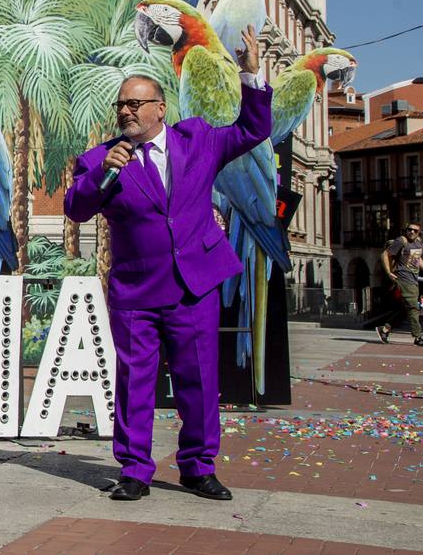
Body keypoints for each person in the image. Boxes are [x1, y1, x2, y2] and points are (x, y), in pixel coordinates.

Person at [64, 26, 271, 504]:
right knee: (135, 384)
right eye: (121, 105)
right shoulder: (100, 159)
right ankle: (134, 470)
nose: (126, 111)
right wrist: (103, 174)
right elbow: (75, 208)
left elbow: (251, 130)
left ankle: (198, 468)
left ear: (160, 108)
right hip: (136, 292)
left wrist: (251, 75)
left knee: (199, 380)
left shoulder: (197, 140)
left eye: (135, 104)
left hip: (193, 286)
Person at [364, 224, 423, 347]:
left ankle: (384, 329)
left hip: (413, 279)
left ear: (419, 232)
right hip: (403, 278)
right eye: (409, 229)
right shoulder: (401, 241)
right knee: (413, 307)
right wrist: (389, 272)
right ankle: (418, 337)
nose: (412, 232)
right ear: (406, 230)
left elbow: (418, 258)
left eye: (415, 230)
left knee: (405, 309)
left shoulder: (418, 243)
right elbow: (385, 254)